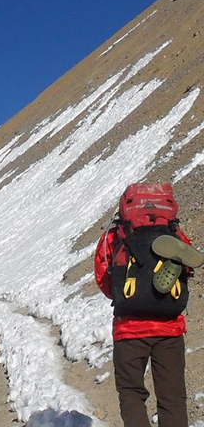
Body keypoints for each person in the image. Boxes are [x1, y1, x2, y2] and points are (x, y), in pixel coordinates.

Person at [94, 183, 203, 427]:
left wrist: (127, 296)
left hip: (128, 330)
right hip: (170, 328)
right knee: (172, 397)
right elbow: (187, 269)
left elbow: (103, 277)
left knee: (131, 393)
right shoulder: (173, 233)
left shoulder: (114, 235)